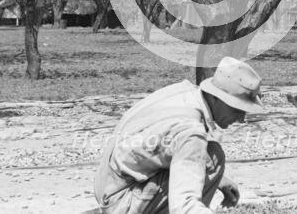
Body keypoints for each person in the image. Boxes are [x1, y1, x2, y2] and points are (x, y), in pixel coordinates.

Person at [94, 56, 264, 213]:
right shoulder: (190, 132)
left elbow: (160, 148)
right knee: (213, 158)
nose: (241, 119)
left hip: (110, 184)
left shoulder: (185, 93)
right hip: (121, 200)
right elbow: (184, 205)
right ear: (216, 98)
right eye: (236, 109)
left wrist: (217, 179)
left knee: (208, 158)